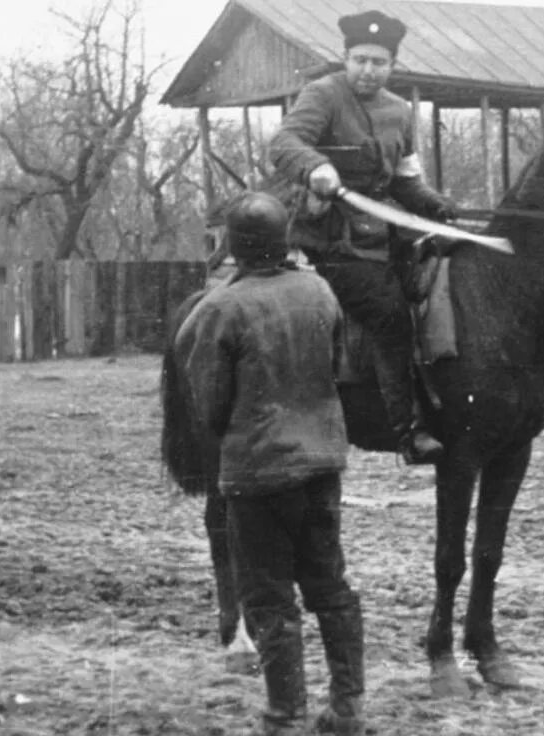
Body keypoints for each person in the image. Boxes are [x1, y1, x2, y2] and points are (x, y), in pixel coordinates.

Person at [176, 191, 366, 736]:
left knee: (268, 597)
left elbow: (209, 407)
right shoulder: (320, 291)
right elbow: (339, 367)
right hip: (323, 465)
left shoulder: (219, 309)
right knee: (331, 587)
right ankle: (349, 707)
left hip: (258, 474)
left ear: (233, 247)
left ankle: (284, 715)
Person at [269, 9, 453, 465]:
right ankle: (408, 429)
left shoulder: (400, 111)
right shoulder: (322, 95)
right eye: (360, 60)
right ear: (345, 58)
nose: (368, 71)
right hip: (330, 240)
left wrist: (436, 206)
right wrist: (317, 168)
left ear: (393, 65)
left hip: (383, 237)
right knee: (390, 315)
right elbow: (284, 143)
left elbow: (405, 180)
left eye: (379, 62)